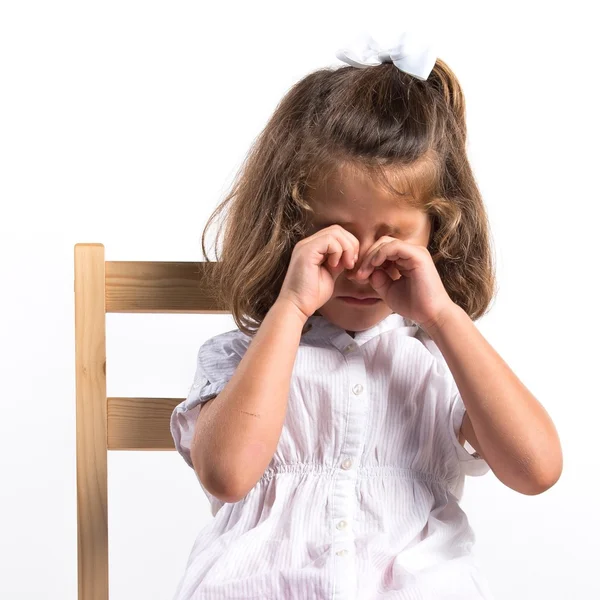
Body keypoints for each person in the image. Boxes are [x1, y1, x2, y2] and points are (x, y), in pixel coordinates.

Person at [170, 30, 563, 600]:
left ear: (438, 234)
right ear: (292, 233)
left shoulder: (441, 361)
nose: (358, 265)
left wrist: (443, 317)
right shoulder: (241, 356)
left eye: (392, 237)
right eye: (334, 235)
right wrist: (290, 307)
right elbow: (228, 476)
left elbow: (537, 470)